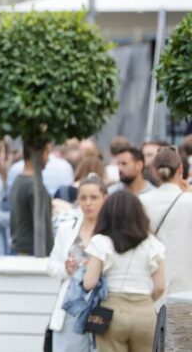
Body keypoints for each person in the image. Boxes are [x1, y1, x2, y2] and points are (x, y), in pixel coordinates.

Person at [82, 191, 166, 352]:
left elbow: (89, 282)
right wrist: (145, 300)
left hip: (112, 311)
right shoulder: (152, 243)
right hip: (145, 312)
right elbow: (160, 286)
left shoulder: (101, 242)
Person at [47, 174, 107, 352]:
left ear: (105, 199)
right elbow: (52, 265)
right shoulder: (68, 228)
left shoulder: (111, 230)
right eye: (83, 198)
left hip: (101, 306)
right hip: (71, 306)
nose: (88, 203)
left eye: (94, 198)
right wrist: (66, 268)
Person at [139, 147, 192, 296]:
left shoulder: (142, 202)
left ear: (154, 170)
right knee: (180, 320)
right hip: (186, 286)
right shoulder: (189, 201)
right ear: (180, 168)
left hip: (152, 284)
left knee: (156, 319)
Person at [9, 142, 54, 256]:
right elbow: (44, 229)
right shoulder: (34, 187)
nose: (48, 159)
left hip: (20, 249)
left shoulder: (18, 181)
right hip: (32, 253)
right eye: (47, 153)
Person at [7, 142, 75, 198]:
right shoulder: (32, 186)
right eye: (47, 153)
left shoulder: (16, 173)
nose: (48, 159)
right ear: (37, 153)